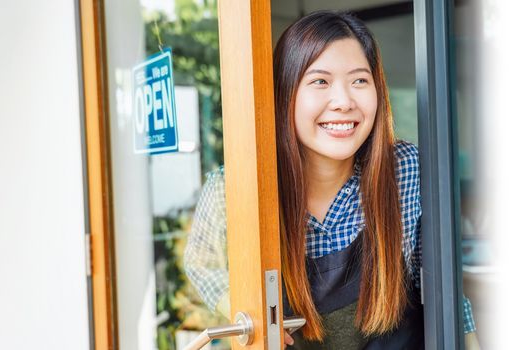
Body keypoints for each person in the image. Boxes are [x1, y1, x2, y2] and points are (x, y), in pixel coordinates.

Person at [185, 10, 480, 349]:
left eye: (359, 80)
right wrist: (244, 315)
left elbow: (445, 289)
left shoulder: (407, 169)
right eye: (320, 81)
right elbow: (202, 262)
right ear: (285, 94)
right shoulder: (235, 188)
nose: (343, 102)